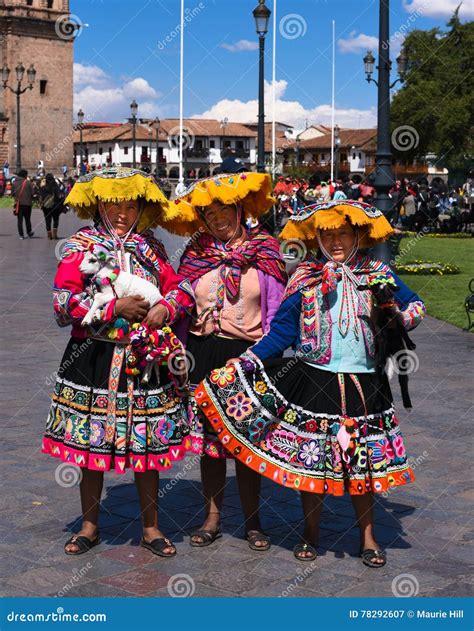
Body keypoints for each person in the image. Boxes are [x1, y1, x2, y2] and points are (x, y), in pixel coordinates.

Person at [195, 199, 425, 566]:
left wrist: (396, 314)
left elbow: (416, 306)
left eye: (343, 233)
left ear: (358, 235)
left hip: (365, 381)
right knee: (313, 461)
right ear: (316, 237)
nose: (335, 242)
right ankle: (311, 532)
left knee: (362, 462)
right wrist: (250, 359)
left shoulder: (378, 273)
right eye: (327, 234)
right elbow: (283, 329)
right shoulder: (306, 277)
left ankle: (368, 537)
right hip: (315, 378)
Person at [42, 167, 195, 557]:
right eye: (114, 204)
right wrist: (114, 307)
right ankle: (89, 526)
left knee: (146, 446)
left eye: (130, 205)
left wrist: (165, 306)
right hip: (93, 357)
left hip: (143, 360)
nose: (123, 213)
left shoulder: (151, 248)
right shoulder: (81, 246)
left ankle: (151, 526)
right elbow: (62, 304)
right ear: (99, 205)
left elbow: (181, 288)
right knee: (90, 444)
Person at [161, 171, 287, 551]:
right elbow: (181, 296)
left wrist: (267, 357)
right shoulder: (197, 252)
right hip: (203, 354)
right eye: (209, 214)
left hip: (248, 356)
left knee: (248, 444)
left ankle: (253, 522)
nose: (217, 219)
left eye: (223, 211)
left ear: (239, 209)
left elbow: (279, 312)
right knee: (210, 446)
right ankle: (212, 518)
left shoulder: (265, 250)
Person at [39, 173, 64, 239]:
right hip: (55, 206)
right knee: (56, 219)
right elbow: (59, 196)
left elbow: (41, 196)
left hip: (46, 206)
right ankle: (55, 234)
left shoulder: (43, 187)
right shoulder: (56, 186)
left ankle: (49, 234)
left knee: (47, 220)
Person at [12, 169, 35, 239]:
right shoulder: (28, 183)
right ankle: (29, 232)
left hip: (18, 204)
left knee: (19, 220)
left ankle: (21, 235)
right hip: (27, 204)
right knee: (27, 219)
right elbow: (32, 193)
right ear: (25, 175)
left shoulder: (14, 183)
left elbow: (12, 193)